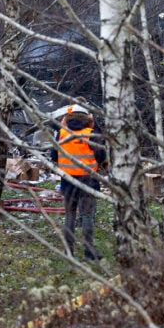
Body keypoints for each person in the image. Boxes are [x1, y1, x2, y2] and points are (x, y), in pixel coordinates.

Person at [50, 104, 106, 261]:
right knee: (87, 216)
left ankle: (69, 252)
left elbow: (54, 155)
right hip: (88, 181)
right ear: (88, 118)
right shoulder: (92, 134)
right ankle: (89, 253)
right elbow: (101, 156)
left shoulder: (61, 133)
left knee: (70, 215)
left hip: (67, 181)